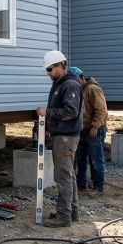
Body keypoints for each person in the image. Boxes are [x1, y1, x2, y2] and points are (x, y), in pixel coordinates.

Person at [36, 51, 83, 228]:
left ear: (60, 65)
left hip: (66, 137)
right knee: (68, 175)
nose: (48, 73)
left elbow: (70, 111)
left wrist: (47, 113)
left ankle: (64, 217)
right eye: (47, 70)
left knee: (63, 176)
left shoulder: (70, 85)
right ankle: (71, 212)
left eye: (49, 69)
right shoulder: (60, 82)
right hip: (62, 135)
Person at [69, 67, 108, 197]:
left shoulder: (92, 89)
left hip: (94, 129)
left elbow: (101, 109)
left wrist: (95, 126)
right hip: (82, 128)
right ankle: (81, 183)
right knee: (80, 157)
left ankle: (98, 186)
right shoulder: (79, 89)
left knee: (95, 159)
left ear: (81, 78)